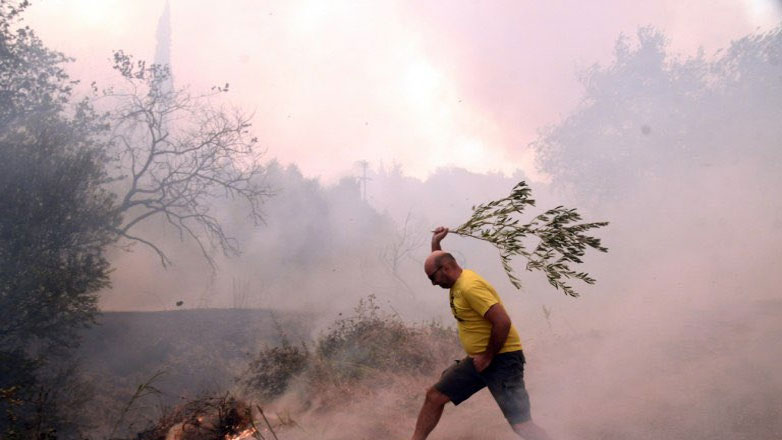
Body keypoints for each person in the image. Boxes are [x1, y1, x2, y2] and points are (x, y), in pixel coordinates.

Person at [411, 226, 552, 440]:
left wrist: (488, 356)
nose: (434, 283)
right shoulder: (455, 279)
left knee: (522, 426)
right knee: (434, 396)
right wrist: (435, 244)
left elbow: (502, 322)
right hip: (479, 360)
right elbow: (440, 260)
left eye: (433, 277)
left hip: (502, 360)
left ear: (447, 269)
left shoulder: (470, 287)